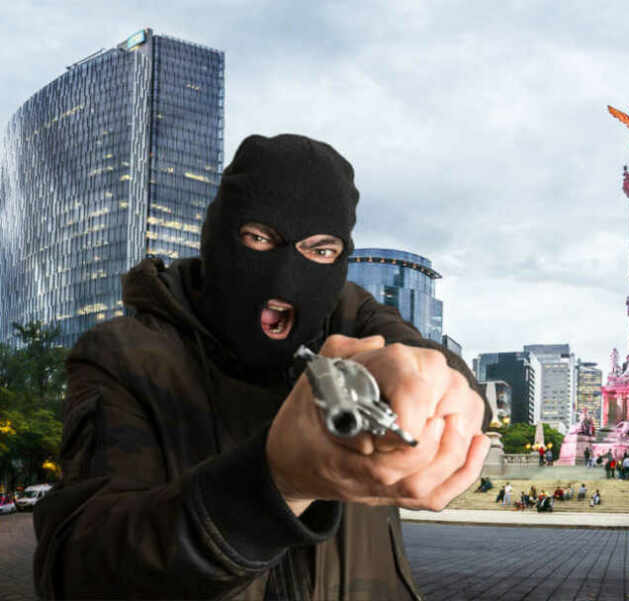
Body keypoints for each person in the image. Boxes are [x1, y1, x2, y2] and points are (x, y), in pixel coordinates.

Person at [32, 134, 491, 600]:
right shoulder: (122, 355)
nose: (286, 274)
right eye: (259, 238)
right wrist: (274, 483)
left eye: (321, 251)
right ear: (218, 235)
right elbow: (77, 572)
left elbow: (432, 365)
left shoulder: (353, 315)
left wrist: (433, 398)